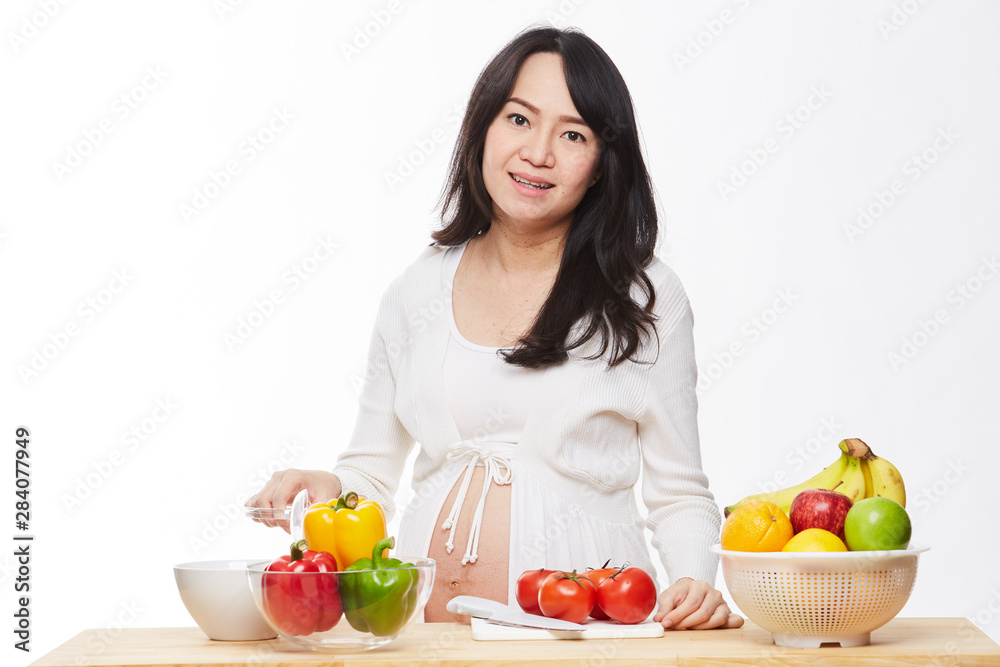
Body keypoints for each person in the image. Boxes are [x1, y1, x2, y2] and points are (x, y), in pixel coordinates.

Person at [248, 25, 743, 631]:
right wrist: (326, 486)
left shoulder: (644, 297)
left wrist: (694, 583)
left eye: (573, 134)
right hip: (423, 640)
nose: (538, 153)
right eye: (518, 119)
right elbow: (372, 475)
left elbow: (679, 492)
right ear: (482, 126)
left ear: (602, 164)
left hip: (584, 641)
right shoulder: (415, 292)